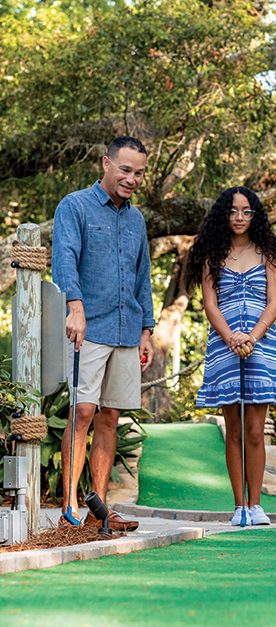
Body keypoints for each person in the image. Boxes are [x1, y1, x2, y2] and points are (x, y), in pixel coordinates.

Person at [52, 135, 154, 531]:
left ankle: (101, 510)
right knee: (82, 412)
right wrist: (74, 307)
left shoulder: (137, 220)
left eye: (139, 173)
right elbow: (64, 261)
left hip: (127, 329)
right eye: (126, 170)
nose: (132, 179)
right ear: (105, 164)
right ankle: (70, 507)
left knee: (110, 417)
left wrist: (147, 328)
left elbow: (142, 276)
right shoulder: (74, 206)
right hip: (89, 326)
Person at [185, 186, 276, 526]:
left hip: (260, 345)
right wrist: (231, 336)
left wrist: (253, 334)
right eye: (233, 211)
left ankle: (257, 504)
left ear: (255, 215)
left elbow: (275, 302)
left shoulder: (269, 253)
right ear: (223, 214)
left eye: (246, 211)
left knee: (254, 430)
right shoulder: (211, 255)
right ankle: (239, 507)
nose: (239, 218)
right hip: (225, 346)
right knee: (232, 430)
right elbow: (210, 305)